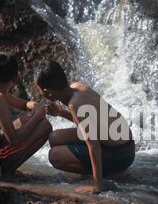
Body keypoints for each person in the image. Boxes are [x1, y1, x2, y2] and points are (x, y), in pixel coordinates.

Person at [34, 60, 135, 194]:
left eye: (39, 90)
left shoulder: (74, 104)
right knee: (55, 137)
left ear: (47, 92)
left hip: (120, 154)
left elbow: (93, 146)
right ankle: (91, 165)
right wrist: (60, 112)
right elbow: (88, 124)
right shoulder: (78, 87)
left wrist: (96, 185)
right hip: (125, 144)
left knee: (55, 156)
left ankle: (102, 175)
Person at [0, 52, 52, 178]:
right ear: (16, 78)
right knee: (45, 126)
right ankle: (6, 172)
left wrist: (35, 107)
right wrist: (38, 116)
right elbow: (14, 140)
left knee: (27, 119)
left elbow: (24, 105)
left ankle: (7, 167)